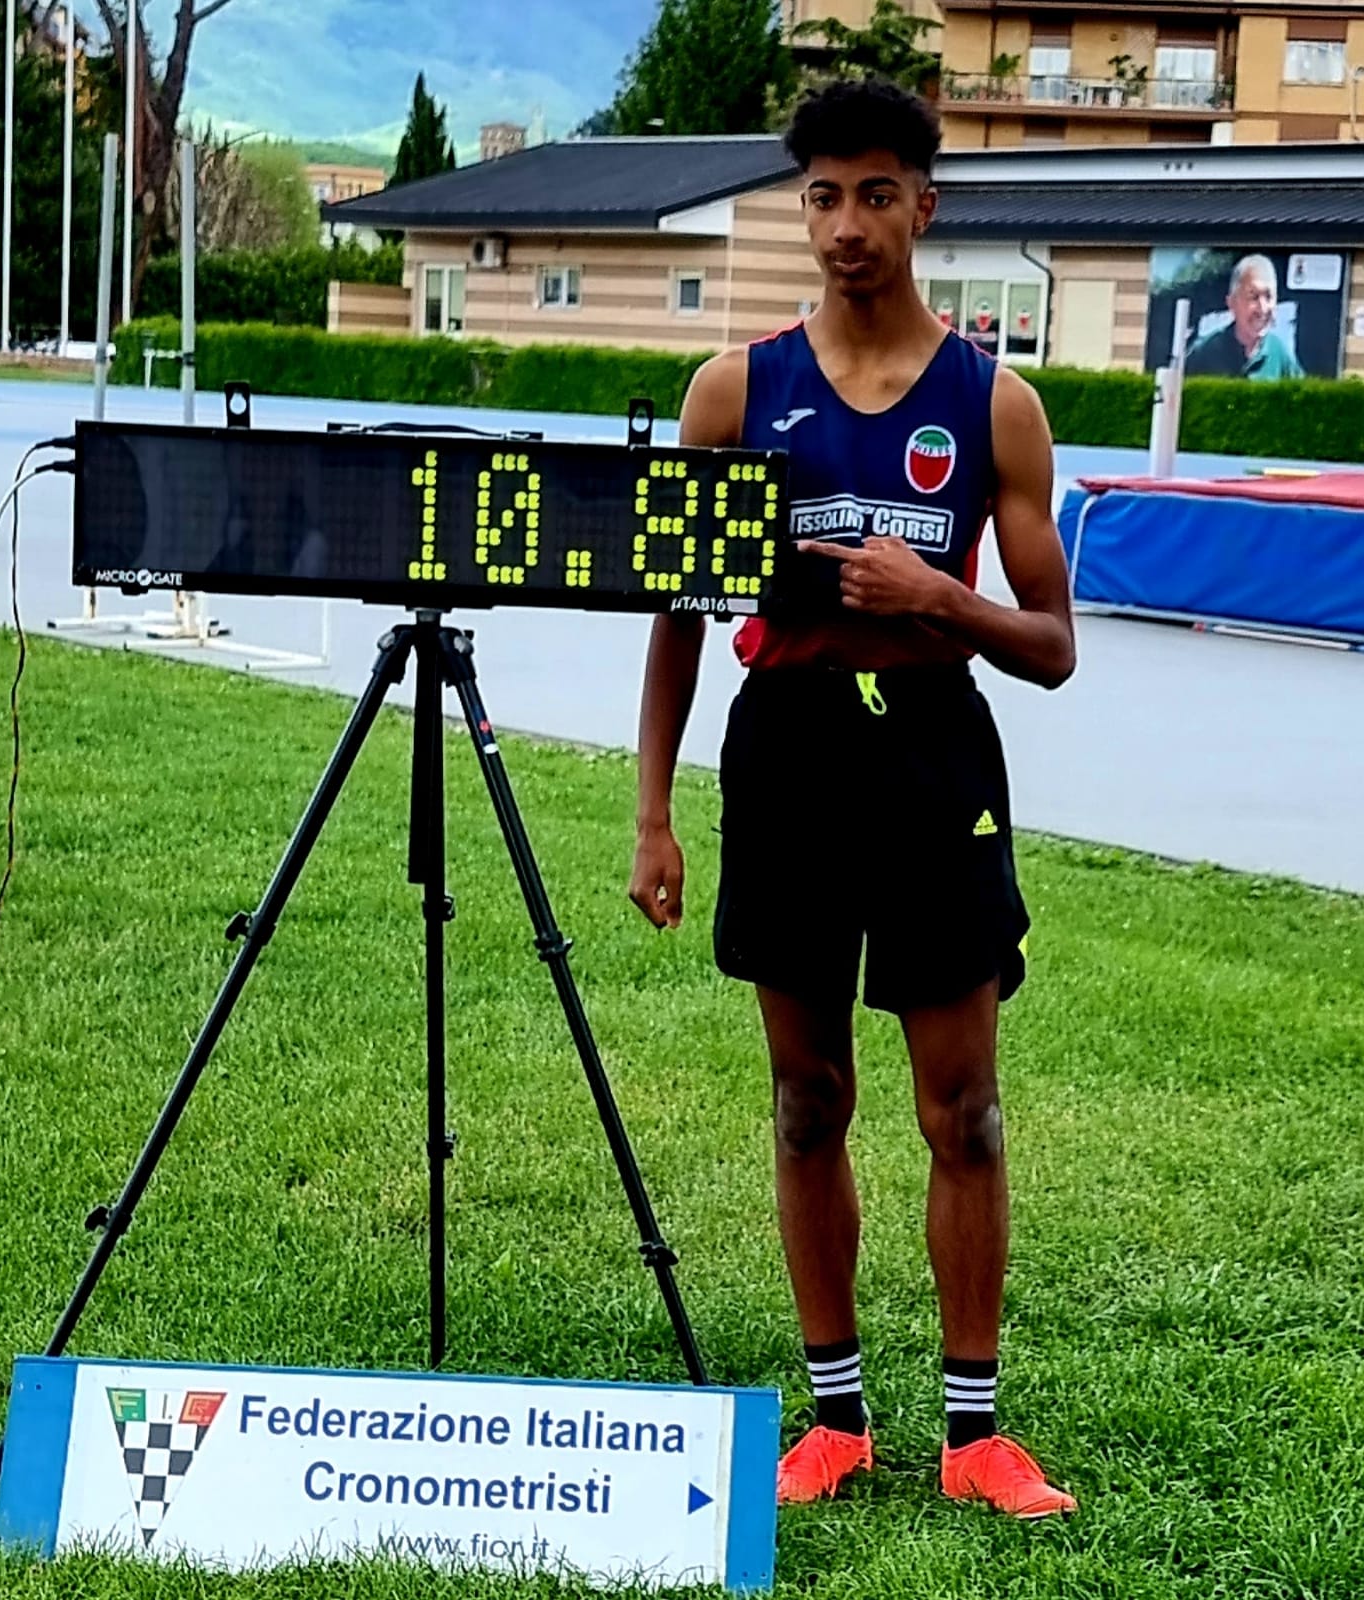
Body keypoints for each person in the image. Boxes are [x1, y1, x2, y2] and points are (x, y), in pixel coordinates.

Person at [628, 77, 1078, 1519]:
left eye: (876, 194)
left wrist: (939, 597)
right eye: (822, 196)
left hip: (934, 753)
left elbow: (1053, 647)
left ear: (923, 207)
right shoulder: (732, 392)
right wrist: (653, 812)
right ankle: (835, 1421)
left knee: (966, 1110)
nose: (845, 225)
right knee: (807, 1098)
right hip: (790, 751)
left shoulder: (994, 406)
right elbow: (676, 617)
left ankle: (974, 1436)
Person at [1183, 254, 1304, 380]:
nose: (1262, 309)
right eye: (1253, 297)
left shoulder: (1280, 355)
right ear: (1232, 303)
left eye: (1269, 297)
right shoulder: (1204, 353)